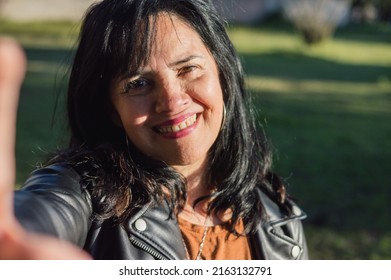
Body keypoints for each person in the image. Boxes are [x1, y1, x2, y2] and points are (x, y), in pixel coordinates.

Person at [0, 0, 308, 260]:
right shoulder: (87, 196)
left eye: (188, 69)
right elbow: (43, 211)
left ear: (223, 76)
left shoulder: (280, 222)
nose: (172, 102)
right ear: (112, 109)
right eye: (138, 84)